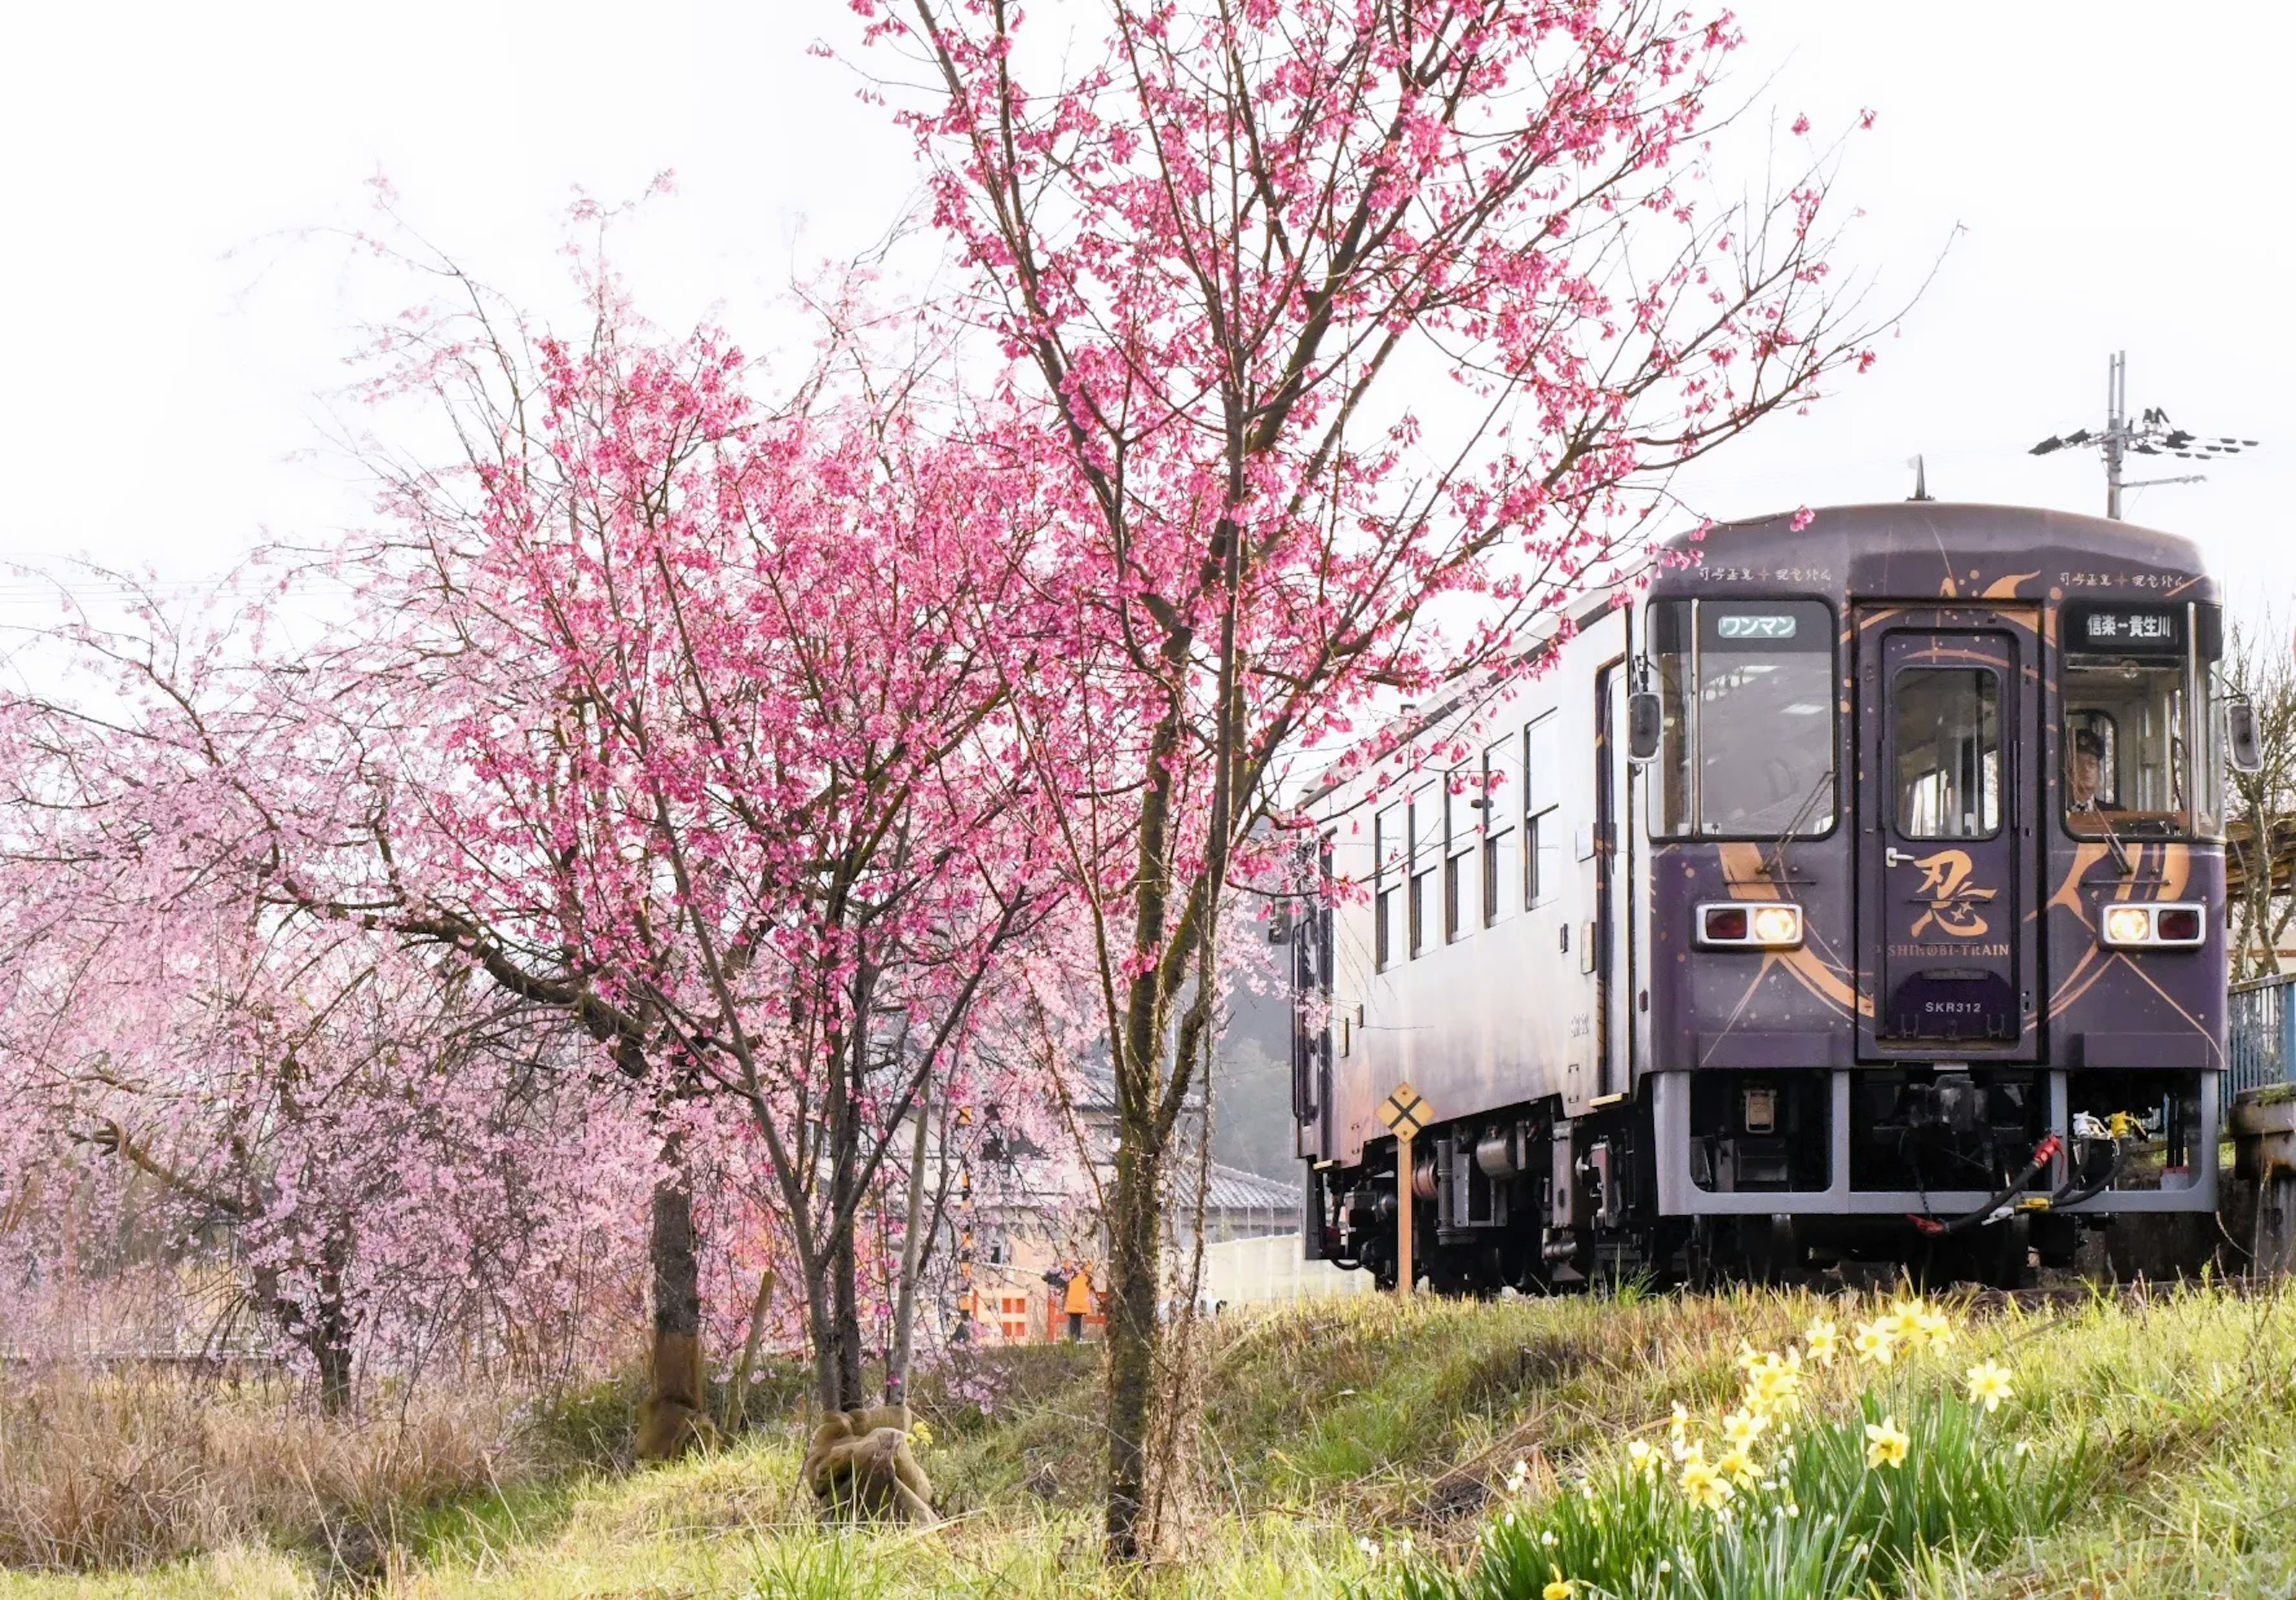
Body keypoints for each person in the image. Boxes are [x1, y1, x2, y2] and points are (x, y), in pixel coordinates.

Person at [2068, 726, 2121, 814]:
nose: (2086, 769)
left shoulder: (2115, 813)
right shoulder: (2054, 814)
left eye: (2091, 763)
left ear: (2098, 771)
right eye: (2078, 763)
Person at [1062, 1264, 1094, 1342]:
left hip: (1073, 1299)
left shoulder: (1072, 1269)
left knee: (1074, 1319)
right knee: (1077, 1319)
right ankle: (1077, 1337)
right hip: (1081, 1299)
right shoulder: (1086, 1271)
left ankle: (1074, 1338)